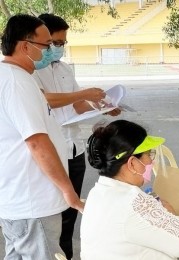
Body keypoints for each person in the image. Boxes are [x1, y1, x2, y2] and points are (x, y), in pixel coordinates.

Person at [32, 13, 121, 259]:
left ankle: (67, 256)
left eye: (63, 43)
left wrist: (101, 106)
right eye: (56, 44)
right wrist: (82, 95)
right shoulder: (31, 71)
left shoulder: (64, 69)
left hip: (74, 149)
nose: (60, 49)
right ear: (44, 40)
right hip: (51, 152)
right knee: (51, 218)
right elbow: (44, 98)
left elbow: (76, 106)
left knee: (70, 217)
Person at [0, 14, 83, 259]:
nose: (50, 51)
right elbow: (36, 142)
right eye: (46, 45)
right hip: (33, 200)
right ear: (25, 46)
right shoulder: (17, 82)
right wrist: (67, 190)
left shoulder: (11, 76)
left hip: (20, 200)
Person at [81, 120, 179, 259]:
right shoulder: (134, 202)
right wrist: (171, 215)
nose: (152, 161)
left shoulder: (97, 193)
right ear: (132, 163)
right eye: (149, 155)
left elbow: (140, 231)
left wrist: (176, 223)